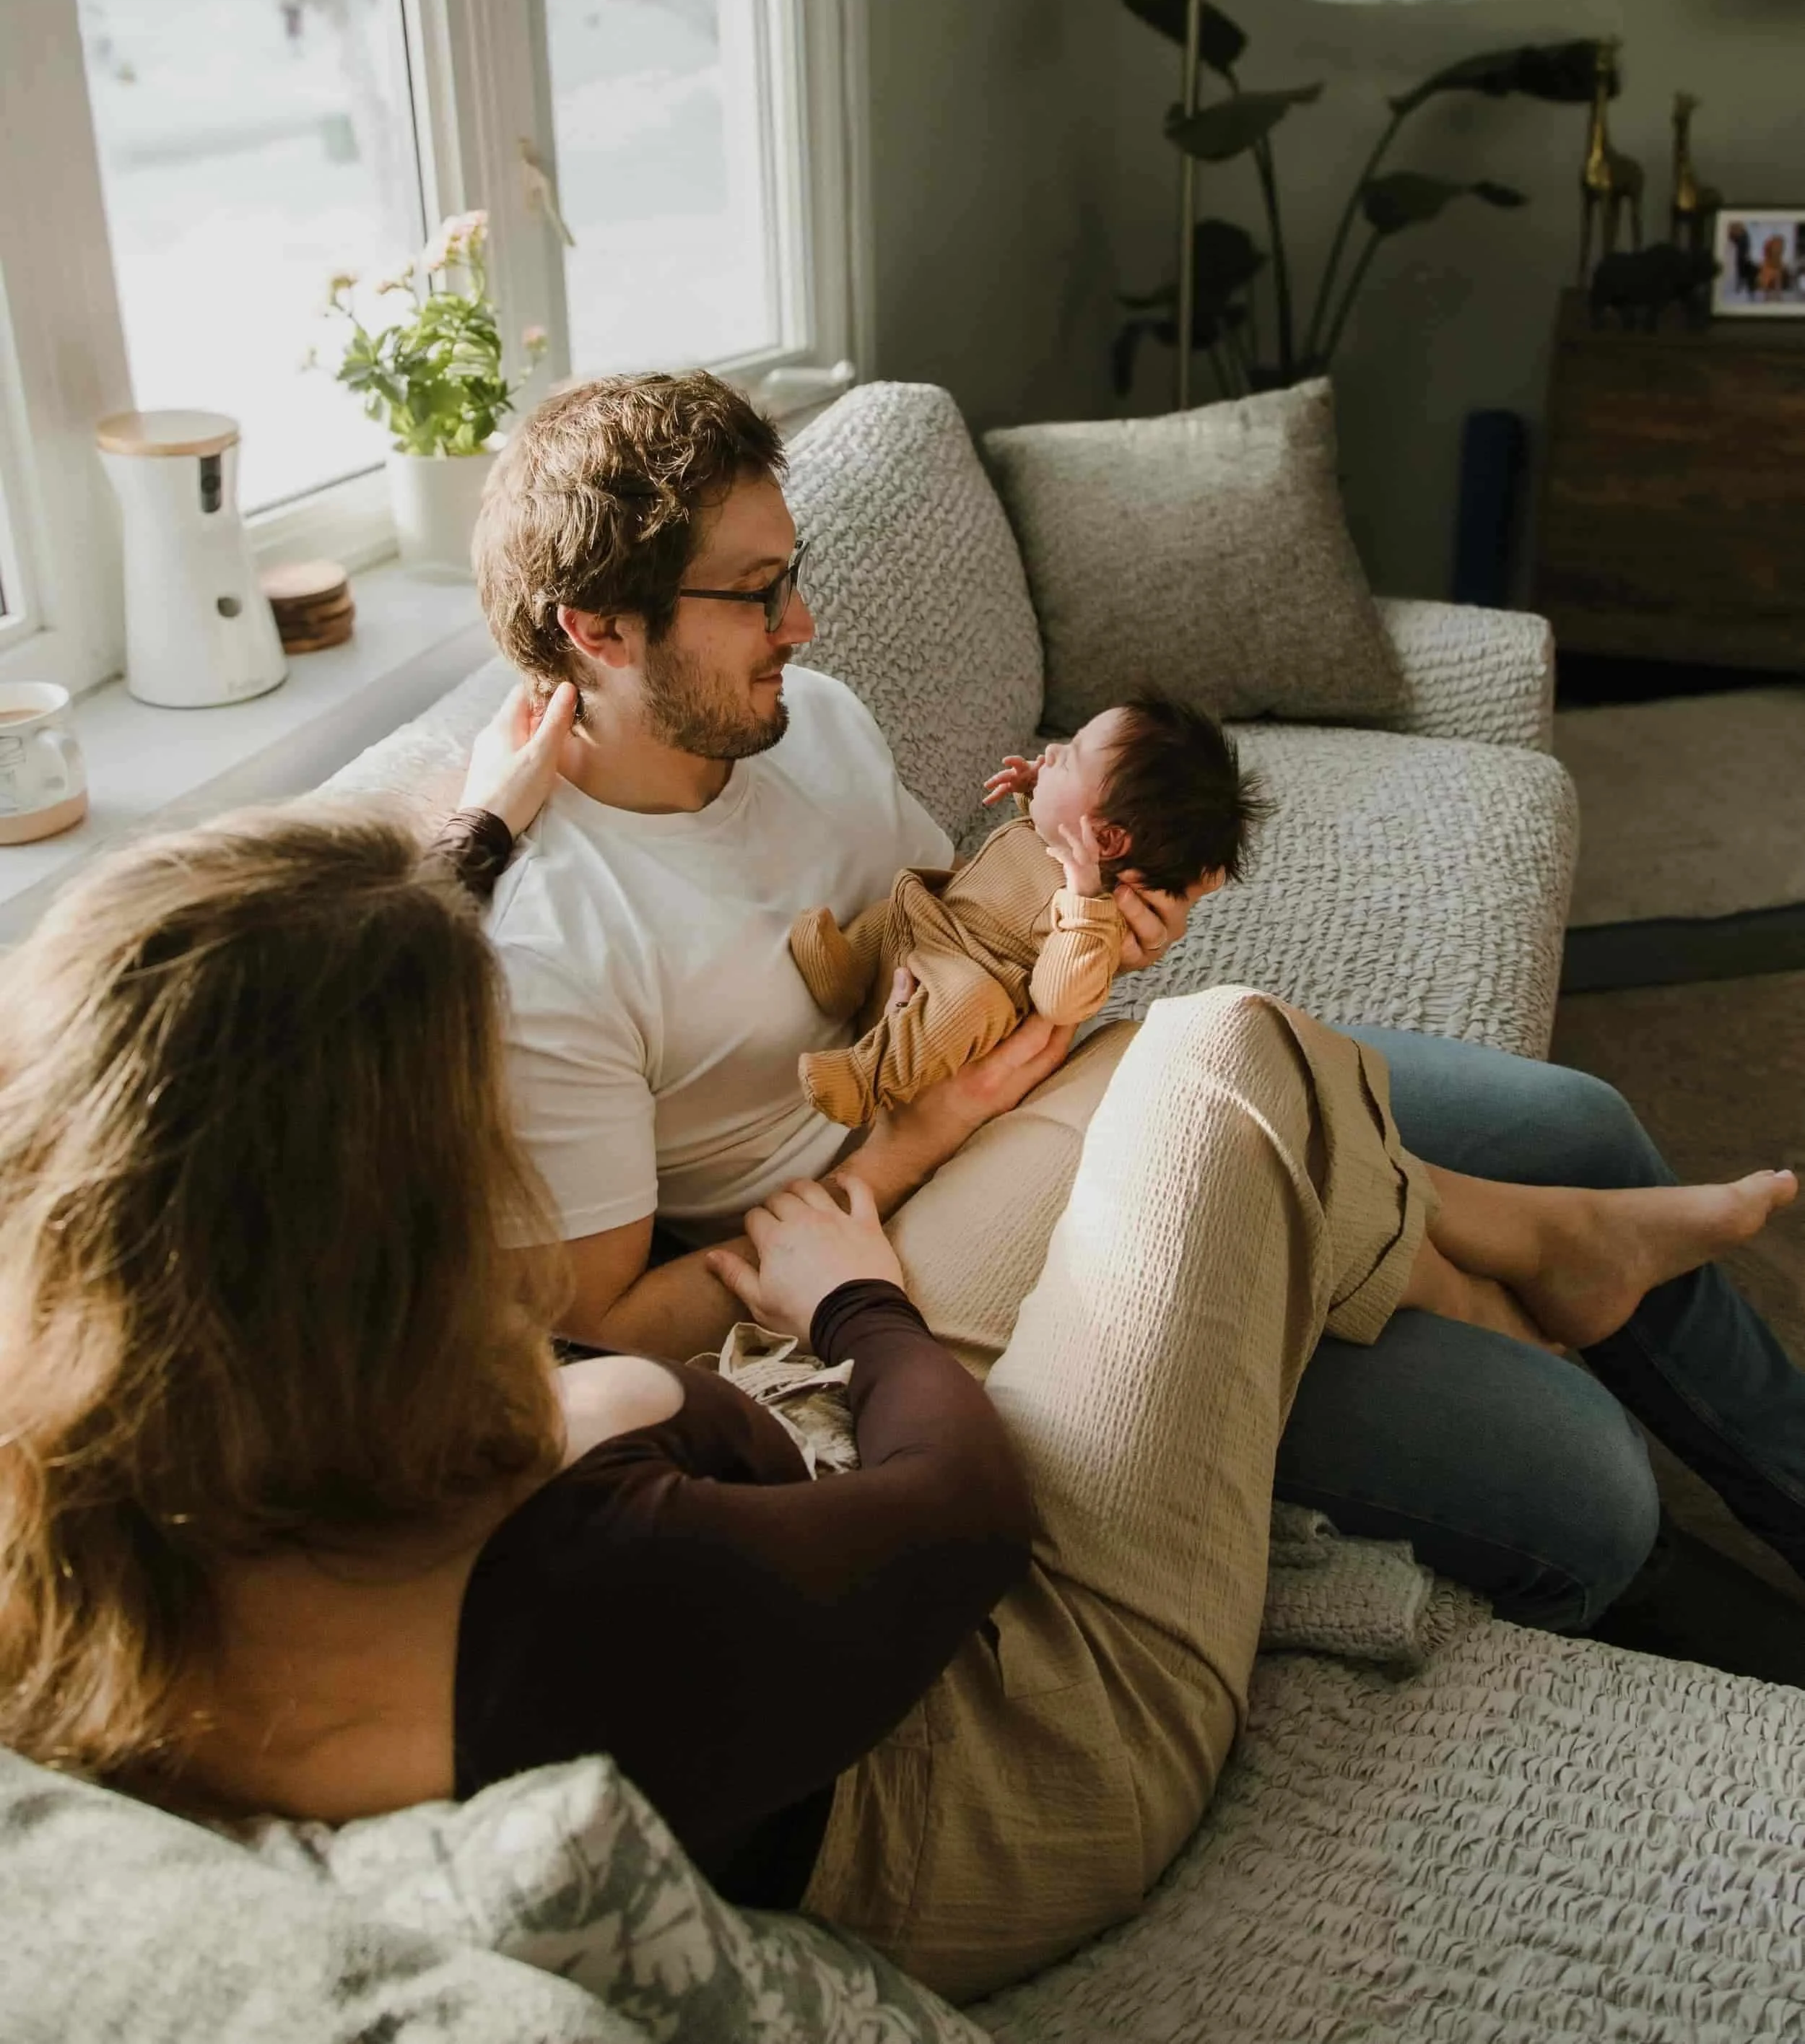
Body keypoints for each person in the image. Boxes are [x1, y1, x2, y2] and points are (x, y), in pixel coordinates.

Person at [0, 775, 1792, 2002]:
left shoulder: (117, 1451)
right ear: (365, 1226)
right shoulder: (566, 1579)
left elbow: (253, 1038)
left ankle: (1502, 1242)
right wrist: (856, 1304)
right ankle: (1523, 1260)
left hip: (811, 1479)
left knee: (1129, 1061)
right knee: (1232, 1043)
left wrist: (475, 821)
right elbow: (961, 1516)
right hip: (1025, 1724)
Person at [471, 370, 1805, 1636]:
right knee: (1587, 1490)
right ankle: (1581, 1378)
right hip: (908, 1240)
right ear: (598, 629)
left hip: (1055, 1084)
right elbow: (603, 1337)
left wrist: (1100, 921)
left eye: (794, 576)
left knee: (1580, 1125)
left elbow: (947, 937)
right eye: (759, 595)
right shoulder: (552, 949)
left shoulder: (807, 719)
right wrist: (917, 1143)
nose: (804, 627)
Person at [790, 694, 1260, 1124]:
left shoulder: (1097, 915)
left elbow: (1061, 1001)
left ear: (1107, 839)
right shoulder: (1065, 839)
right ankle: (846, 976)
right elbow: (1039, 838)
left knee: (973, 1002)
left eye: (1069, 759)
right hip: (932, 924)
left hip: (957, 983)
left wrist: (1082, 906)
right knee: (897, 903)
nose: (1051, 752)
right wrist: (1035, 789)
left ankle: (867, 1078)